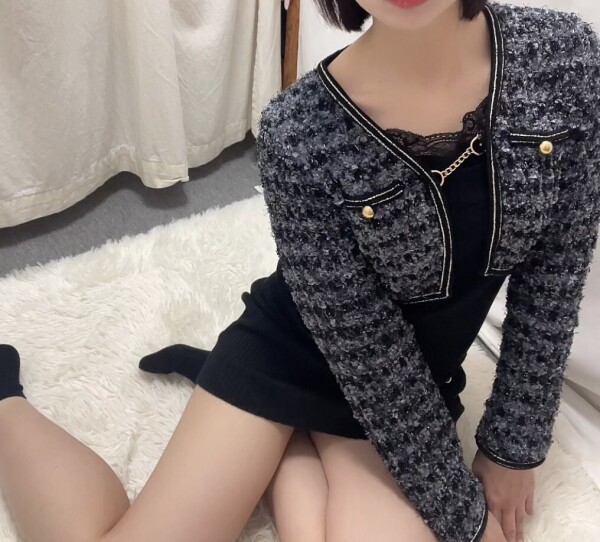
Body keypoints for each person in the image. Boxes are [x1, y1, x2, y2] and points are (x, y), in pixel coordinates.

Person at [1, 1, 599, 542]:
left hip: (411, 381)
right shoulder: (299, 130)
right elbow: (368, 354)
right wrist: (467, 520)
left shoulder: (563, 59)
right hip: (303, 353)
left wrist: (512, 448)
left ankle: (284, 450)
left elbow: (557, 272)